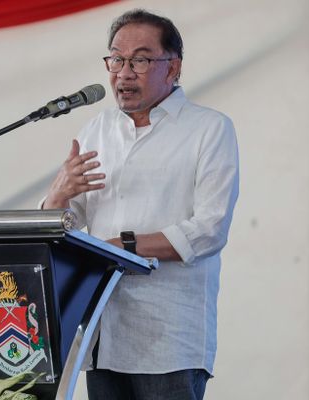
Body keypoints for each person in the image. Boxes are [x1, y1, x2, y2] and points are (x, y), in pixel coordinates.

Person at [42, 9, 239, 400]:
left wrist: (123, 248)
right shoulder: (97, 130)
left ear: (173, 67)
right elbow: (61, 228)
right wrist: (58, 196)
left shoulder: (208, 129)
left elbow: (209, 230)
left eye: (141, 60)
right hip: (103, 332)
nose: (124, 73)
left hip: (169, 339)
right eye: (116, 59)